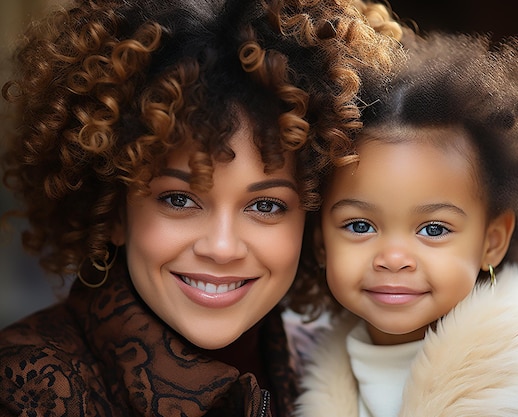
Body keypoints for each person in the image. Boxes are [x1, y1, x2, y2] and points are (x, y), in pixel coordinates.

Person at [0, 0, 405, 415]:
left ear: (312, 219)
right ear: (114, 211)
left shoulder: (341, 380)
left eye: (266, 205)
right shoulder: (25, 391)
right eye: (179, 200)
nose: (222, 247)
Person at [293, 30, 518, 416]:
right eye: (360, 226)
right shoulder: (288, 386)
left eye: (434, 229)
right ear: (321, 241)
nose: (393, 258)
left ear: (492, 241)